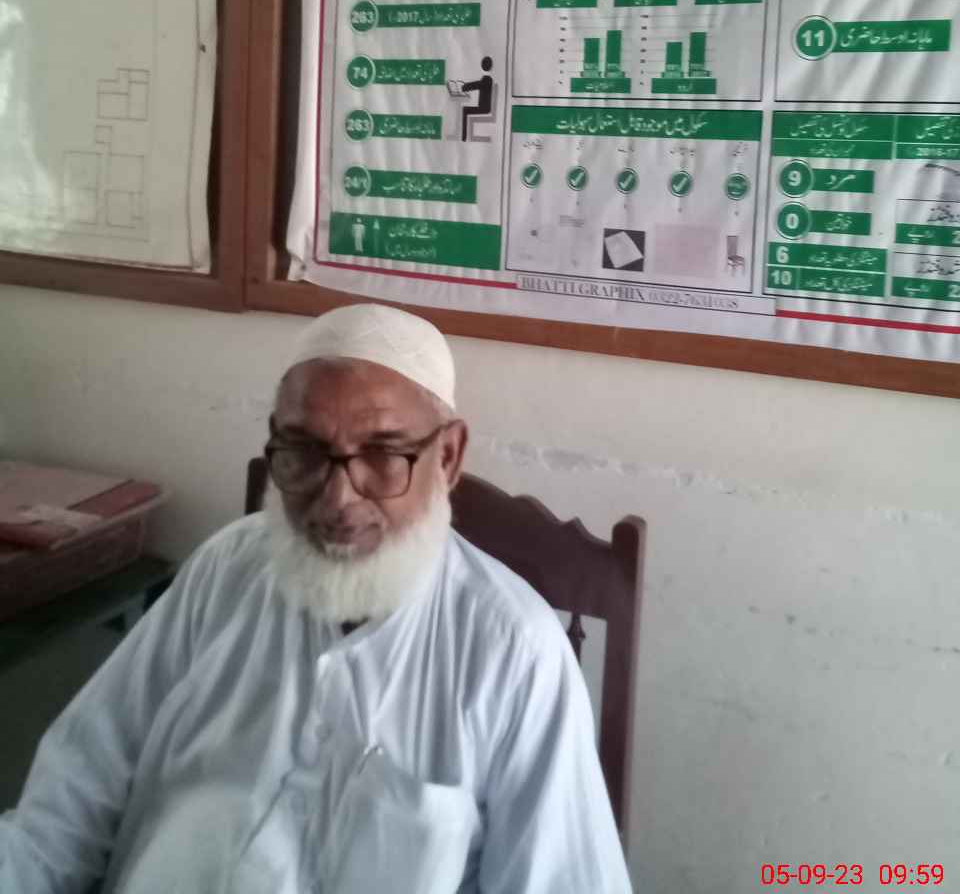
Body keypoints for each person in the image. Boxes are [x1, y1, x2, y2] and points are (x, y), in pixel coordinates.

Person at [0, 303, 633, 893]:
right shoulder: (226, 569)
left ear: (447, 456)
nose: (337, 499)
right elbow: (69, 803)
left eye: (383, 454)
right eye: (304, 452)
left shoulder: (514, 651)